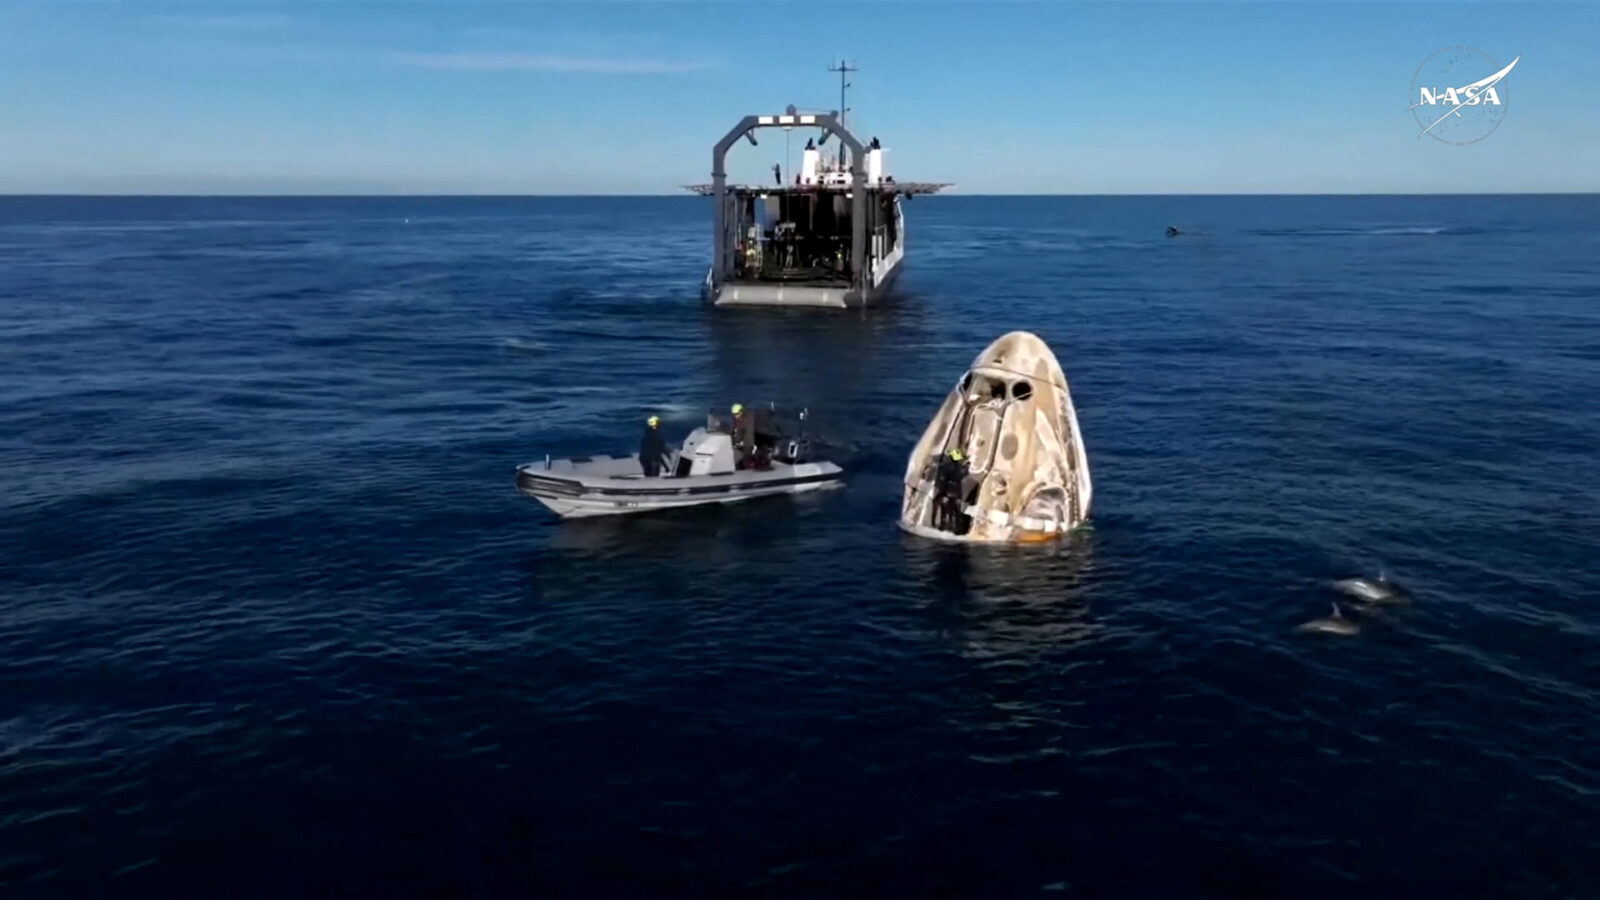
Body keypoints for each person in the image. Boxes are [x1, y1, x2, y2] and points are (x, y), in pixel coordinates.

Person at [933, 447, 970, 532]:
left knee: (944, 509)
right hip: (957, 492)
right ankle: (957, 529)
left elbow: (942, 480)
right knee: (957, 511)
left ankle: (943, 526)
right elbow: (965, 474)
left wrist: (942, 491)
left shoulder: (945, 467)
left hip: (947, 491)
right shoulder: (962, 469)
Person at [728, 403, 755, 467]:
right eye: (733, 414)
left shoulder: (749, 419)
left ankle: (747, 469)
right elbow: (733, 429)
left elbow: (749, 433)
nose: (735, 416)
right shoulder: (736, 418)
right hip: (740, 439)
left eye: (736, 414)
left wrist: (744, 443)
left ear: (741, 412)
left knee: (746, 458)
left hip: (748, 441)